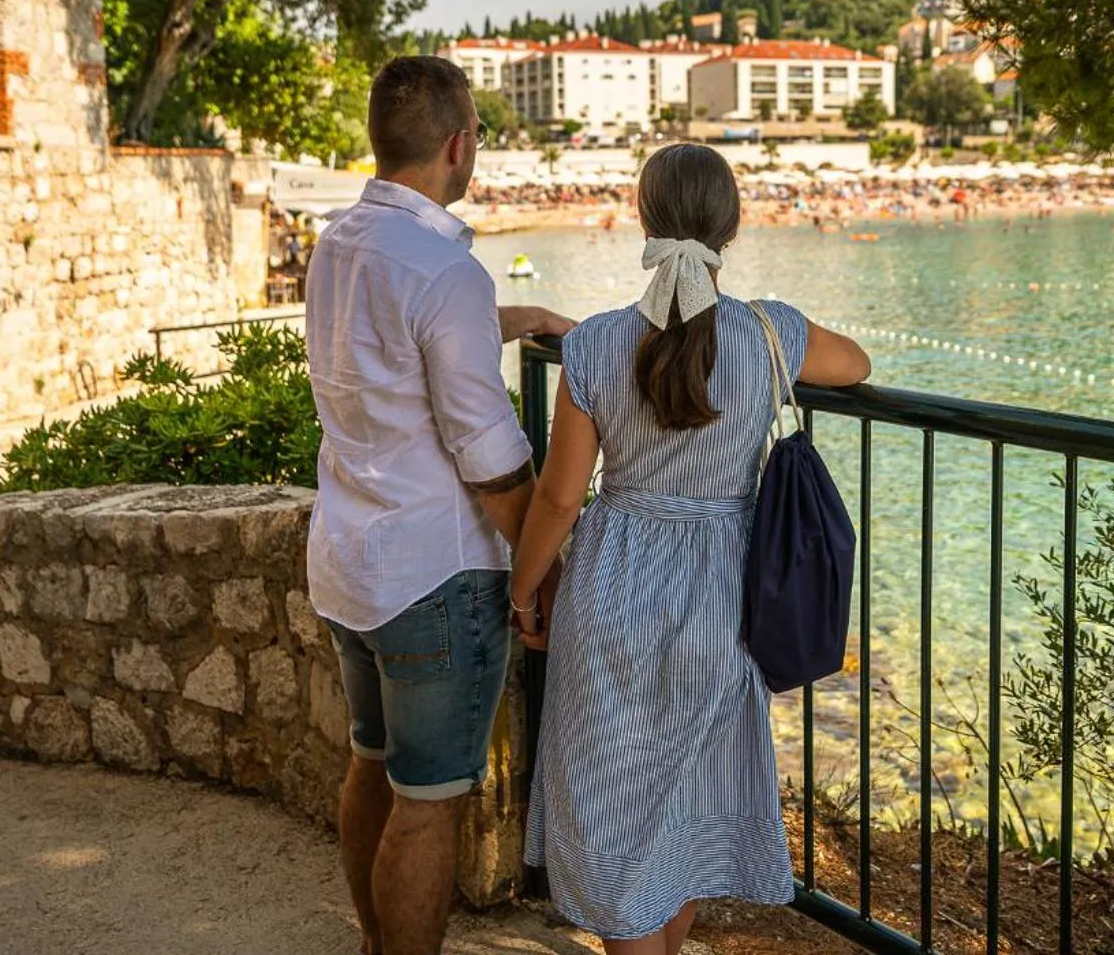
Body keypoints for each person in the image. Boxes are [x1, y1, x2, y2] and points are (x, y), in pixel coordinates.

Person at [508, 143, 872, 953]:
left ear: (642, 219)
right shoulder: (770, 333)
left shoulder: (596, 345)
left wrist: (525, 585)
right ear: (731, 227)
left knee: (617, 815)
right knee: (677, 814)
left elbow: (561, 495)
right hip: (720, 600)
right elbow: (857, 363)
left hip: (611, 590)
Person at [305, 55, 574, 955]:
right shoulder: (441, 271)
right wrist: (545, 566)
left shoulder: (340, 243)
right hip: (434, 575)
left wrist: (514, 313)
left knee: (371, 768)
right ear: (460, 147)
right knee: (429, 807)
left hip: (350, 559)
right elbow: (493, 465)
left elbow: (393, 338)